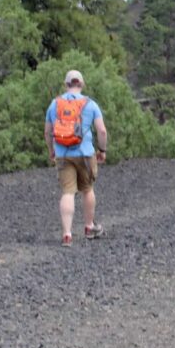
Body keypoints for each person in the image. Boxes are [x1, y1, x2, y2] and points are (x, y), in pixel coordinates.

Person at [44, 69, 108, 246]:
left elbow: (48, 132)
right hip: (86, 154)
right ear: (81, 84)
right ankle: (89, 227)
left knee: (67, 192)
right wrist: (102, 150)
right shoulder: (90, 104)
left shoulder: (54, 104)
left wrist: (51, 150)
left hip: (63, 155)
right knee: (87, 189)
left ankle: (67, 235)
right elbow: (102, 131)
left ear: (66, 85)